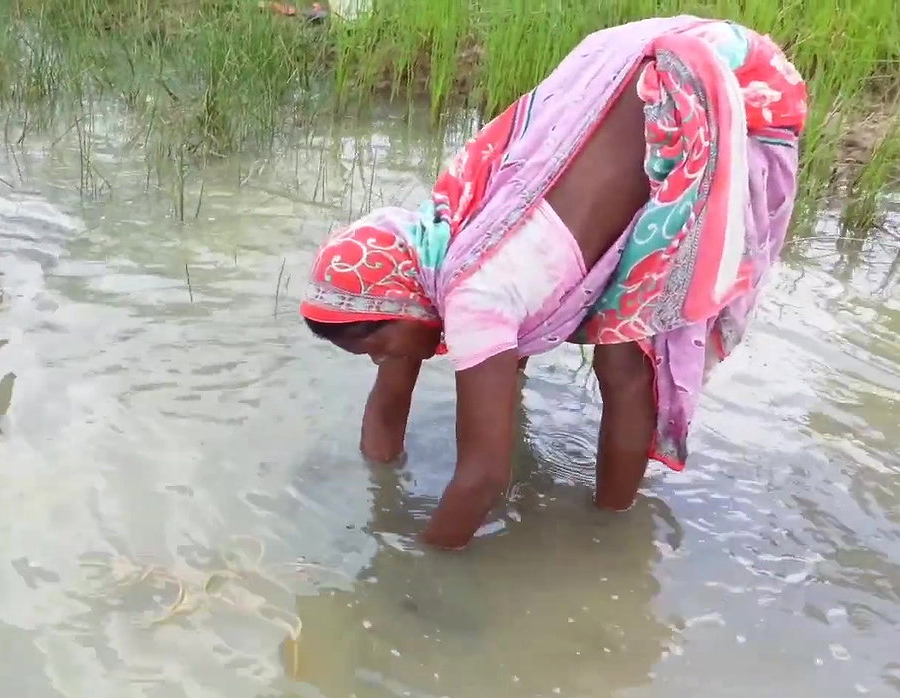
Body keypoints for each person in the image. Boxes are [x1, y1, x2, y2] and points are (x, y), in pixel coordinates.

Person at [300, 16, 809, 550]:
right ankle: (605, 512)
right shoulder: (437, 240)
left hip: (728, 88)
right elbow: (391, 382)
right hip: (645, 60)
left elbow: (484, 477)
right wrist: (376, 490)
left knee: (625, 359)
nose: (383, 362)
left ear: (395, 304)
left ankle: (610, 529)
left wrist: (415, 570)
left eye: (373, 347)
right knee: (507, 335)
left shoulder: (475, 292)